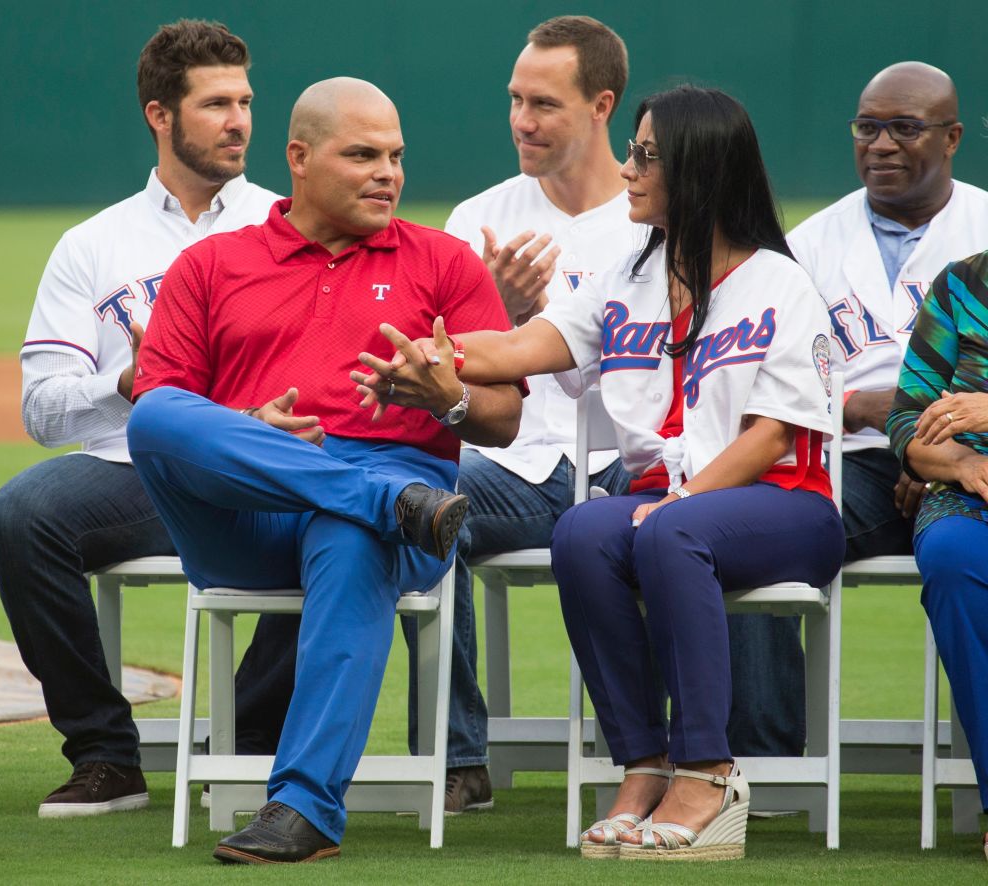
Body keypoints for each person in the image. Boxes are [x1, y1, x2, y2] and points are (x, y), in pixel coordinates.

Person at [359, 84, 844, 860]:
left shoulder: (780, 283)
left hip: (785, 506)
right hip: (671, 512)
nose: (627, 169)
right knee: (584, 529)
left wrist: (681, 499)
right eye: (632, 152)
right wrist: (425, 357)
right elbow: (520, 348)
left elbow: (770, 438)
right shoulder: (627, 278)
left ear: (700, 170)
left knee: (667, 530)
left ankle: (709, 772)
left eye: (646, 156)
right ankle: (644, 762)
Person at [126, 77, 521, 864]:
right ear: (299, 158)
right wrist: (245, 428)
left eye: (396, 157)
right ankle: (377, 497)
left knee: (351, 533)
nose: (388, 173)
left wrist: (446, 400)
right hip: (255, 512)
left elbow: (503, 419)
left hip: (385, 515)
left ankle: (302, 810)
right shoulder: (209, 264)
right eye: (363, 155)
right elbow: (163, 409)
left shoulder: (442, 263)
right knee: (155, 414)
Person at [0, 19, 285, 818]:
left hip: (264, 464)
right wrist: (127, 379)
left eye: (246, 101)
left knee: (349, 521)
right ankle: (105, 754)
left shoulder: (283, 225)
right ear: (161, 115)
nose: (239, 121)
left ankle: (246, 744)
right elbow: (44, 410)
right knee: (20, 516)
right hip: (135, 470)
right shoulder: (94, 244)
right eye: (216, 102)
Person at [400, 14, 638, 813]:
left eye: (545, 104)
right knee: (417, 503)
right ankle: (455, 754)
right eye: (514, 99)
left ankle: (702, 752)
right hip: (507, 463)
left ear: (602, 105)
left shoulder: (652, 214)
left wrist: (541, 332)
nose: (522, 121)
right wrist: (499, 317)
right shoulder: (477, 218)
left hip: (628, 465)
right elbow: (437, 363)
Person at [784, 61, 988, 755]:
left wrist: (927, 448)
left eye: (905, 128)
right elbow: (774, 382)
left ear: (952, 136)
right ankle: (764, 758)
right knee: (757, 537)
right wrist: (866, 411)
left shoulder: (982, 228)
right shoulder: (809, 244)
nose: (881, 144)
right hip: (849, 463)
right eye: (867, 128)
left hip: (971, 462)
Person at [887, 249, 988, 862]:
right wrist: (962, 463)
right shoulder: (962, 285)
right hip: (968, 501)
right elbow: (906, 420)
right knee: (952, 560)